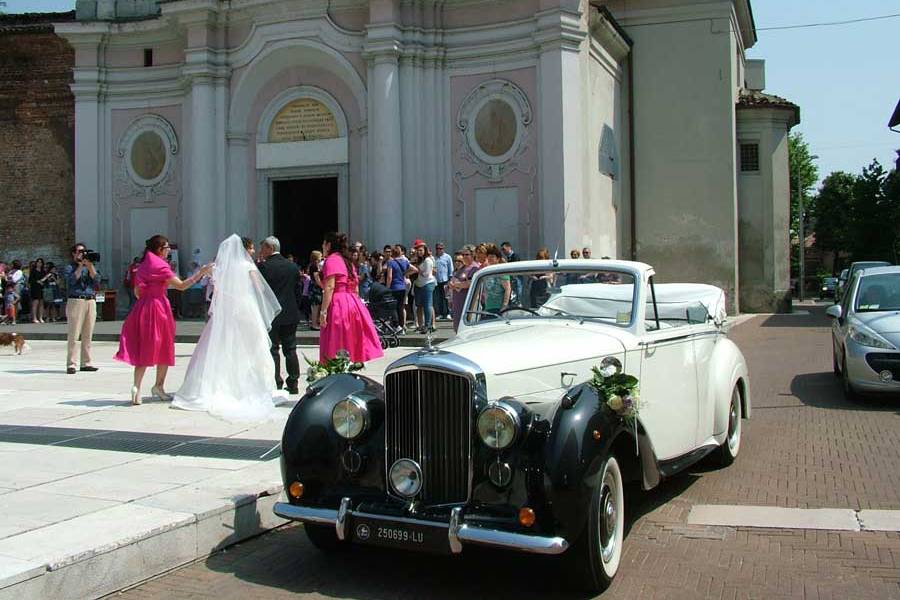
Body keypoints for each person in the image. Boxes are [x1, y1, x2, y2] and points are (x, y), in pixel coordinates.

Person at [172, 235, 283, 421]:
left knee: (220, 348)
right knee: (252, 347)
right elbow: (260, 288)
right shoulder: (248, 267)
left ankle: (216, 386)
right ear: (244, 249)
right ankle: (253, 386)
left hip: (226, 310)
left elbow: (216, 290)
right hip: (245, 309)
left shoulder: (220, 269)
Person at [115, 235, 211, 404]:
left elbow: (137, 292)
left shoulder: (143, 266)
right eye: (166, 248)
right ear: (160, 250)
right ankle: (159, 386)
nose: (168, 251)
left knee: (143, 347)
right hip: (159, 308)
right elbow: (181, 286)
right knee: (164, 346)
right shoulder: (161, 266)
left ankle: (136, 387)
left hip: (142, 308)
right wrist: (201, 273)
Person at [318, 232, 384, 363]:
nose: (323, 247)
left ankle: (337, 370)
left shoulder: (331, 260)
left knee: (336, 340)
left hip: (339, 302)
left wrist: (323, 311)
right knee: (350, 340)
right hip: (353, 302)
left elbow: (330, 287)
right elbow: (356, 286)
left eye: (324, 244)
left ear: (329, 245)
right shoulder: (347, 261)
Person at [257, 236, 302, 393]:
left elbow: (260, 291)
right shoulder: (292, 267)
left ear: (270, 248)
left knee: (273, 349)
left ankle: (276, 381)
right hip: (290, 312)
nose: (260, 251)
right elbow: (298, 291)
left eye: (263, 247)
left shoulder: (263, 267)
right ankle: (294, 382)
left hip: (271, 313)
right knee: (290, 349)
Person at [64, 243, 101, 375]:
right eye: (80, 251)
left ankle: (86, 362)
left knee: (88, 334)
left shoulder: (90, 266)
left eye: (84, 251)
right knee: (74, 334)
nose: (82, 254)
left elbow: (97, 281)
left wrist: (90, 265)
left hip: (90, 300)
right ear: (74, 253)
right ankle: (71, 363)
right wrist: (80, 265)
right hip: (76, 300)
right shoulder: (70, 267)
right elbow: (71, 281)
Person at [449, 245, 480, 331]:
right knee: (457, 326)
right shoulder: (462, 268)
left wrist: (456, 285)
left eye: (467, 254)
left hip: (467, 302)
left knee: (466, 327)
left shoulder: (474, 268)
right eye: (463, 255)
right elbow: (454, 278)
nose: (464, 257)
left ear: (472, 255)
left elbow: (470, 283)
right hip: (457, 301)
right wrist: (451, 284)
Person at [386, 244, 415, 332]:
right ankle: (402, 326)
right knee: (401, 307)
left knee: (393, 307)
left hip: (394, 287)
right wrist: (405, 274)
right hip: (402, 287)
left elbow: (389, 277)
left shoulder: (391, 262)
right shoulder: (405, 261)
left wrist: (387, 288)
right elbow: (415, 269)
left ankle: (396, 325)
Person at [412, 239, 436, 333]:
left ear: (425, 250)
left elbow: (426, 274)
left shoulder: (428, 260)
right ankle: (420, 326)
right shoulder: (418, 260)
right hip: (418, 284)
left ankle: (428, 325)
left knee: (428, 305)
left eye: (421, 250)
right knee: (419, 306)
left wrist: (416, 269)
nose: (419, 252)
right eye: (417, 250)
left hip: (427, 284)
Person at [433, 242, 453, 321]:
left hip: (445, 280)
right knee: (438, 298)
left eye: (441, 248)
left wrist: (450, 279)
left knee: (446, 297)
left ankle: (447, 313)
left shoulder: (447, 257)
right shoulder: (434, 258)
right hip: (436, 280)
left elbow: (450, 268)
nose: (439, 250)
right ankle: (440, 313)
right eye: (438, 248)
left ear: (443, 249)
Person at [308, 250, 324, 330]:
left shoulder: (314, 265)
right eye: (320, 256)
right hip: (315, 288)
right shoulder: (314, 266)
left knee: (316, 306)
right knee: (315, 307)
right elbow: (317, 279)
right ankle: (314, 324)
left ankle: (315, 322)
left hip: (315, 288)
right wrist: (323, 286)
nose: (322, 257)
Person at [28, 258, 47, 323]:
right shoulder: (33, 271)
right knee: (35, 303)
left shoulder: (43, 271)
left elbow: (46, 280)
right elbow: (30, 280)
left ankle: (41, 317)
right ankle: (34, 318)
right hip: (35, 288)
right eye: (38, 262)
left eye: (41, 262)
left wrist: (43, 282)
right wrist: (37, 281)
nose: (39, 263)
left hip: (41, 288)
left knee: (41, 303)